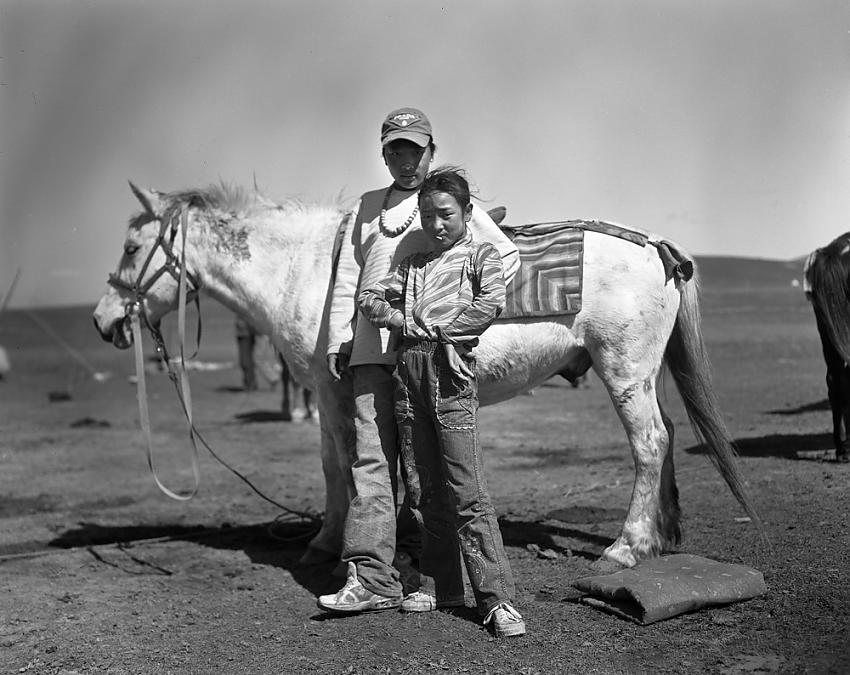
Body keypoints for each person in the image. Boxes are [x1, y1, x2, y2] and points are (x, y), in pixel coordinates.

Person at [317, 108, 519, 613]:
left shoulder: (442, 200)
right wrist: (339, 337)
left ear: (431, 151)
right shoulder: (369, 205)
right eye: (396, 152)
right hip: (372, 348)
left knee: (429, 471)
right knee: (371, 459)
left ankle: (425, 570)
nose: (406, 161)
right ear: (384, 155)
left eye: (415, 151)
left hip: (430, 355)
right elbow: (350, 278)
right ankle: (371, 577)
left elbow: (504, 257)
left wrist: (454, 319)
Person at [357, 167, 525, 638]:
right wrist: (400, 321)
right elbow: (369, 297)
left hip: (450, 376)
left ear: (467, 212)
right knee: (422, 489)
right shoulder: (413, 265)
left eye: (445, 214)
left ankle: (496, 598)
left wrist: (447, 335)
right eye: (427, 216)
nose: (435, 224)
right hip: (408, 374)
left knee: (467, 491)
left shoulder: (481, 256)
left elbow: (490, 303)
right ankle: (440, 586)